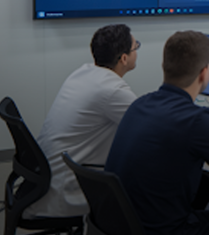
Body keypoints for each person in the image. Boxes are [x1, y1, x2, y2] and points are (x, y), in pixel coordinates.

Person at [106, 31, 209, 235]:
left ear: (164, 67)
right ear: (204, 73)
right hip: (165, 230)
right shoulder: (195, 121)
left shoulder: (140, 104)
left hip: (124, 226)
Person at [25, 24, 139, 219]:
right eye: (136, 46)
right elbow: (151, 127)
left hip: (44, 179)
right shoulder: (112, 91)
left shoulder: (84, 72)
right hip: (66, 189)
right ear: (124, 58)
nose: (138, 50)